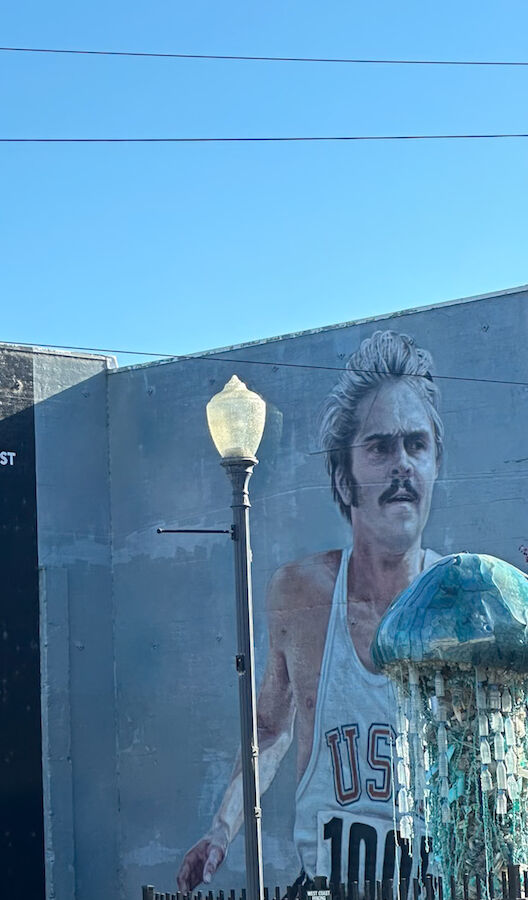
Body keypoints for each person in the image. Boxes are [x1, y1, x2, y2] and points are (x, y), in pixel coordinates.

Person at [177, 330, 443, 891]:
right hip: (327, 883)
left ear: (435, 466)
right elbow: (271, 729)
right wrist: (221, 831)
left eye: (416, 445)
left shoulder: (456, 602)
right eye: (380, 446)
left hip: (427, 885)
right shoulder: (302, 594)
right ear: (344, 478)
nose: (402, 466)